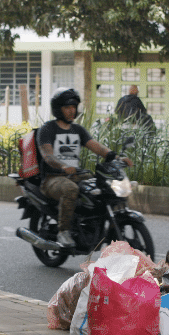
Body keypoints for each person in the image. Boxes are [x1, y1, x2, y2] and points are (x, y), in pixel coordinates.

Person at [37, 88, 132, 247]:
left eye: (74, 107)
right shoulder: (47, 129)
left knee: (103, 188)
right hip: (53, 178)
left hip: (76, 175)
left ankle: (90, 225)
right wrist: (63, 166)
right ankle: (63, 232)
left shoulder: (78, 130)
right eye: (67, 107)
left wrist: (117, 158)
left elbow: (97, 147)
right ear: (58, 109)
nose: (72, 111)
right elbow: (48, 156)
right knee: (71, 190)